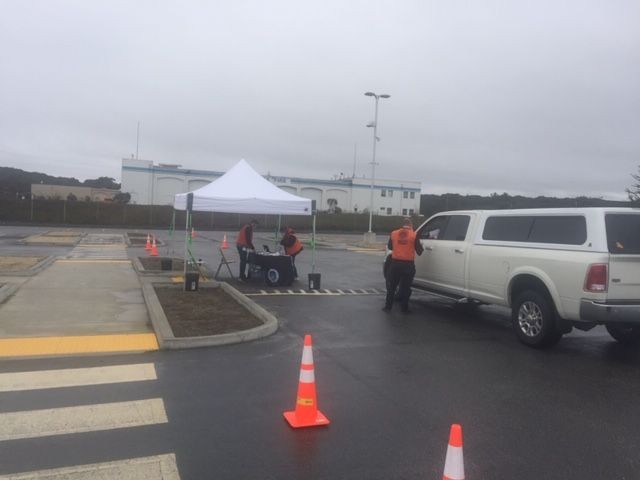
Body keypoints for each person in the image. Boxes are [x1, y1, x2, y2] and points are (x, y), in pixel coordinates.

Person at [383, 217, 423, 313]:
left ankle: (388, 307)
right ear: (411, 225)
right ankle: (404, 309)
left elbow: (390, 247)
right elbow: (419, 251)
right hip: (408, 265)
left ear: (402, 225)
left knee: (391, 287)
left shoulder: (394, 233)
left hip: (395, 264)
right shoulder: (414, 235)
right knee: (405, 288)